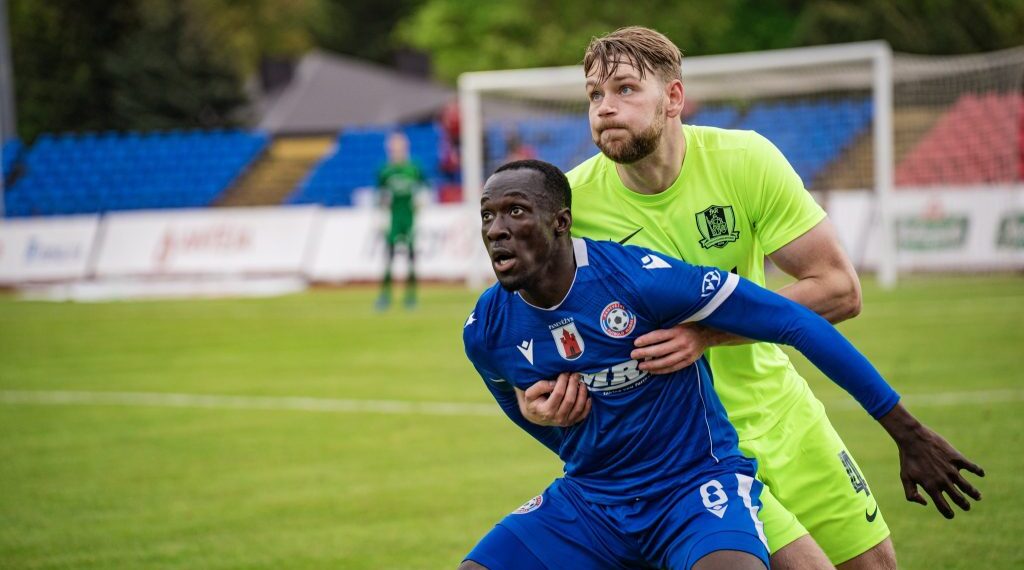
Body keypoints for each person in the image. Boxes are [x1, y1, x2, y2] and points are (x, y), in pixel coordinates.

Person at [518, 26, 983, 569]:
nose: (605, 107)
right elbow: (529, 335)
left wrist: (707, 335)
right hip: (685, 452)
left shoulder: (744, 161)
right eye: (595, 94)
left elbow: (839, 289)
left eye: (625, 89)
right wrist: (535, 400)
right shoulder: (572, 208)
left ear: (674, 97)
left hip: (782, 413)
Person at [461, 159, 918, 570]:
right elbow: (510, 396)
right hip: (591, 500)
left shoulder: (636, 278)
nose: (496, 229)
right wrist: (553, 425)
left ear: (560, 222)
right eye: (487, 216)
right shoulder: (487, 327)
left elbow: (794, 322)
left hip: (693, 489)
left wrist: (905, 429)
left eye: (515, 211)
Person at [375, 131, 427, 310]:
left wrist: (421, 201)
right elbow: (379, 194)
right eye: (393, 147)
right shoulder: (385, 171)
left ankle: (411, 295)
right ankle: (385, 295)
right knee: (389, 257)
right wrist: (381, 213)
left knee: (411, 257)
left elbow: (424, 188)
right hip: (393, 219)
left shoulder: (413, 168)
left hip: (409, 218)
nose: (396, 150)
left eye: (399, 147)